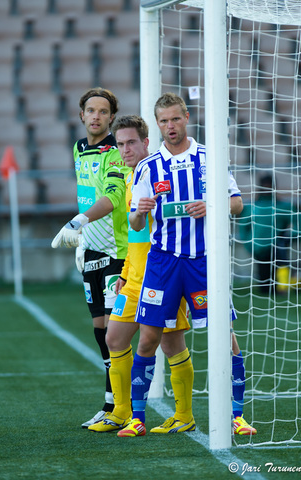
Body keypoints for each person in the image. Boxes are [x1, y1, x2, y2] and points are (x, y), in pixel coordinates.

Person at [117, 92, 256, 437]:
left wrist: (213, 206)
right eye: (163, 121)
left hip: (204, 262)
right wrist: (140, 211)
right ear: (158, 124)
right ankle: (137, 418)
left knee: (226, 337)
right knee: (149, 339)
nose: (170, 126)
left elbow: (237, 203)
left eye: (175, 119)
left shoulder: (211, 158)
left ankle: (237, 416)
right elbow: (135, 224)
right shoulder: (148, 167)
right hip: (163, 263)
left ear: (187, 117)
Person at [87, 114, 196, 435]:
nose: (125, 150)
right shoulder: (131, 178)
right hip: (135, 276)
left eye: (131, 142)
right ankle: (120, 411)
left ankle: (184, 414)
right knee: (114, 337)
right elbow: (137, 235)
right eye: (120, 144)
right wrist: (126, 269)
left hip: (165, 272)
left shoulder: (163, 173)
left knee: (169, 342)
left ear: (146, 142)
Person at [51, 87, 131, 427]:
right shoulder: (79, 148)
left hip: (118, 252)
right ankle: (111, 402)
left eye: (102, 111)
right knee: (100, 329)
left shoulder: (116, 152)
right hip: (94, 250)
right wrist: (84, 239)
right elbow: (88, 194)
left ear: (111, 117)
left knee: (115, 333)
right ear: (81, 115)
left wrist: (78, 222)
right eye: (90, 110)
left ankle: (121, 408)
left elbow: (113, 196)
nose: (96, 116)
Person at [238, 174, 295, 295]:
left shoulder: (283, 207)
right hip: (258, 248)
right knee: (265, 288)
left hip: (277, 245)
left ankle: (284, 287)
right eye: (264, 186)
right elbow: (243, 227)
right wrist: (249, 244)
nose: (266, 189)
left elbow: (296, 222)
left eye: (269, 186)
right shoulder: (251, 208)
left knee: (281, 260)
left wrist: (290, 237)